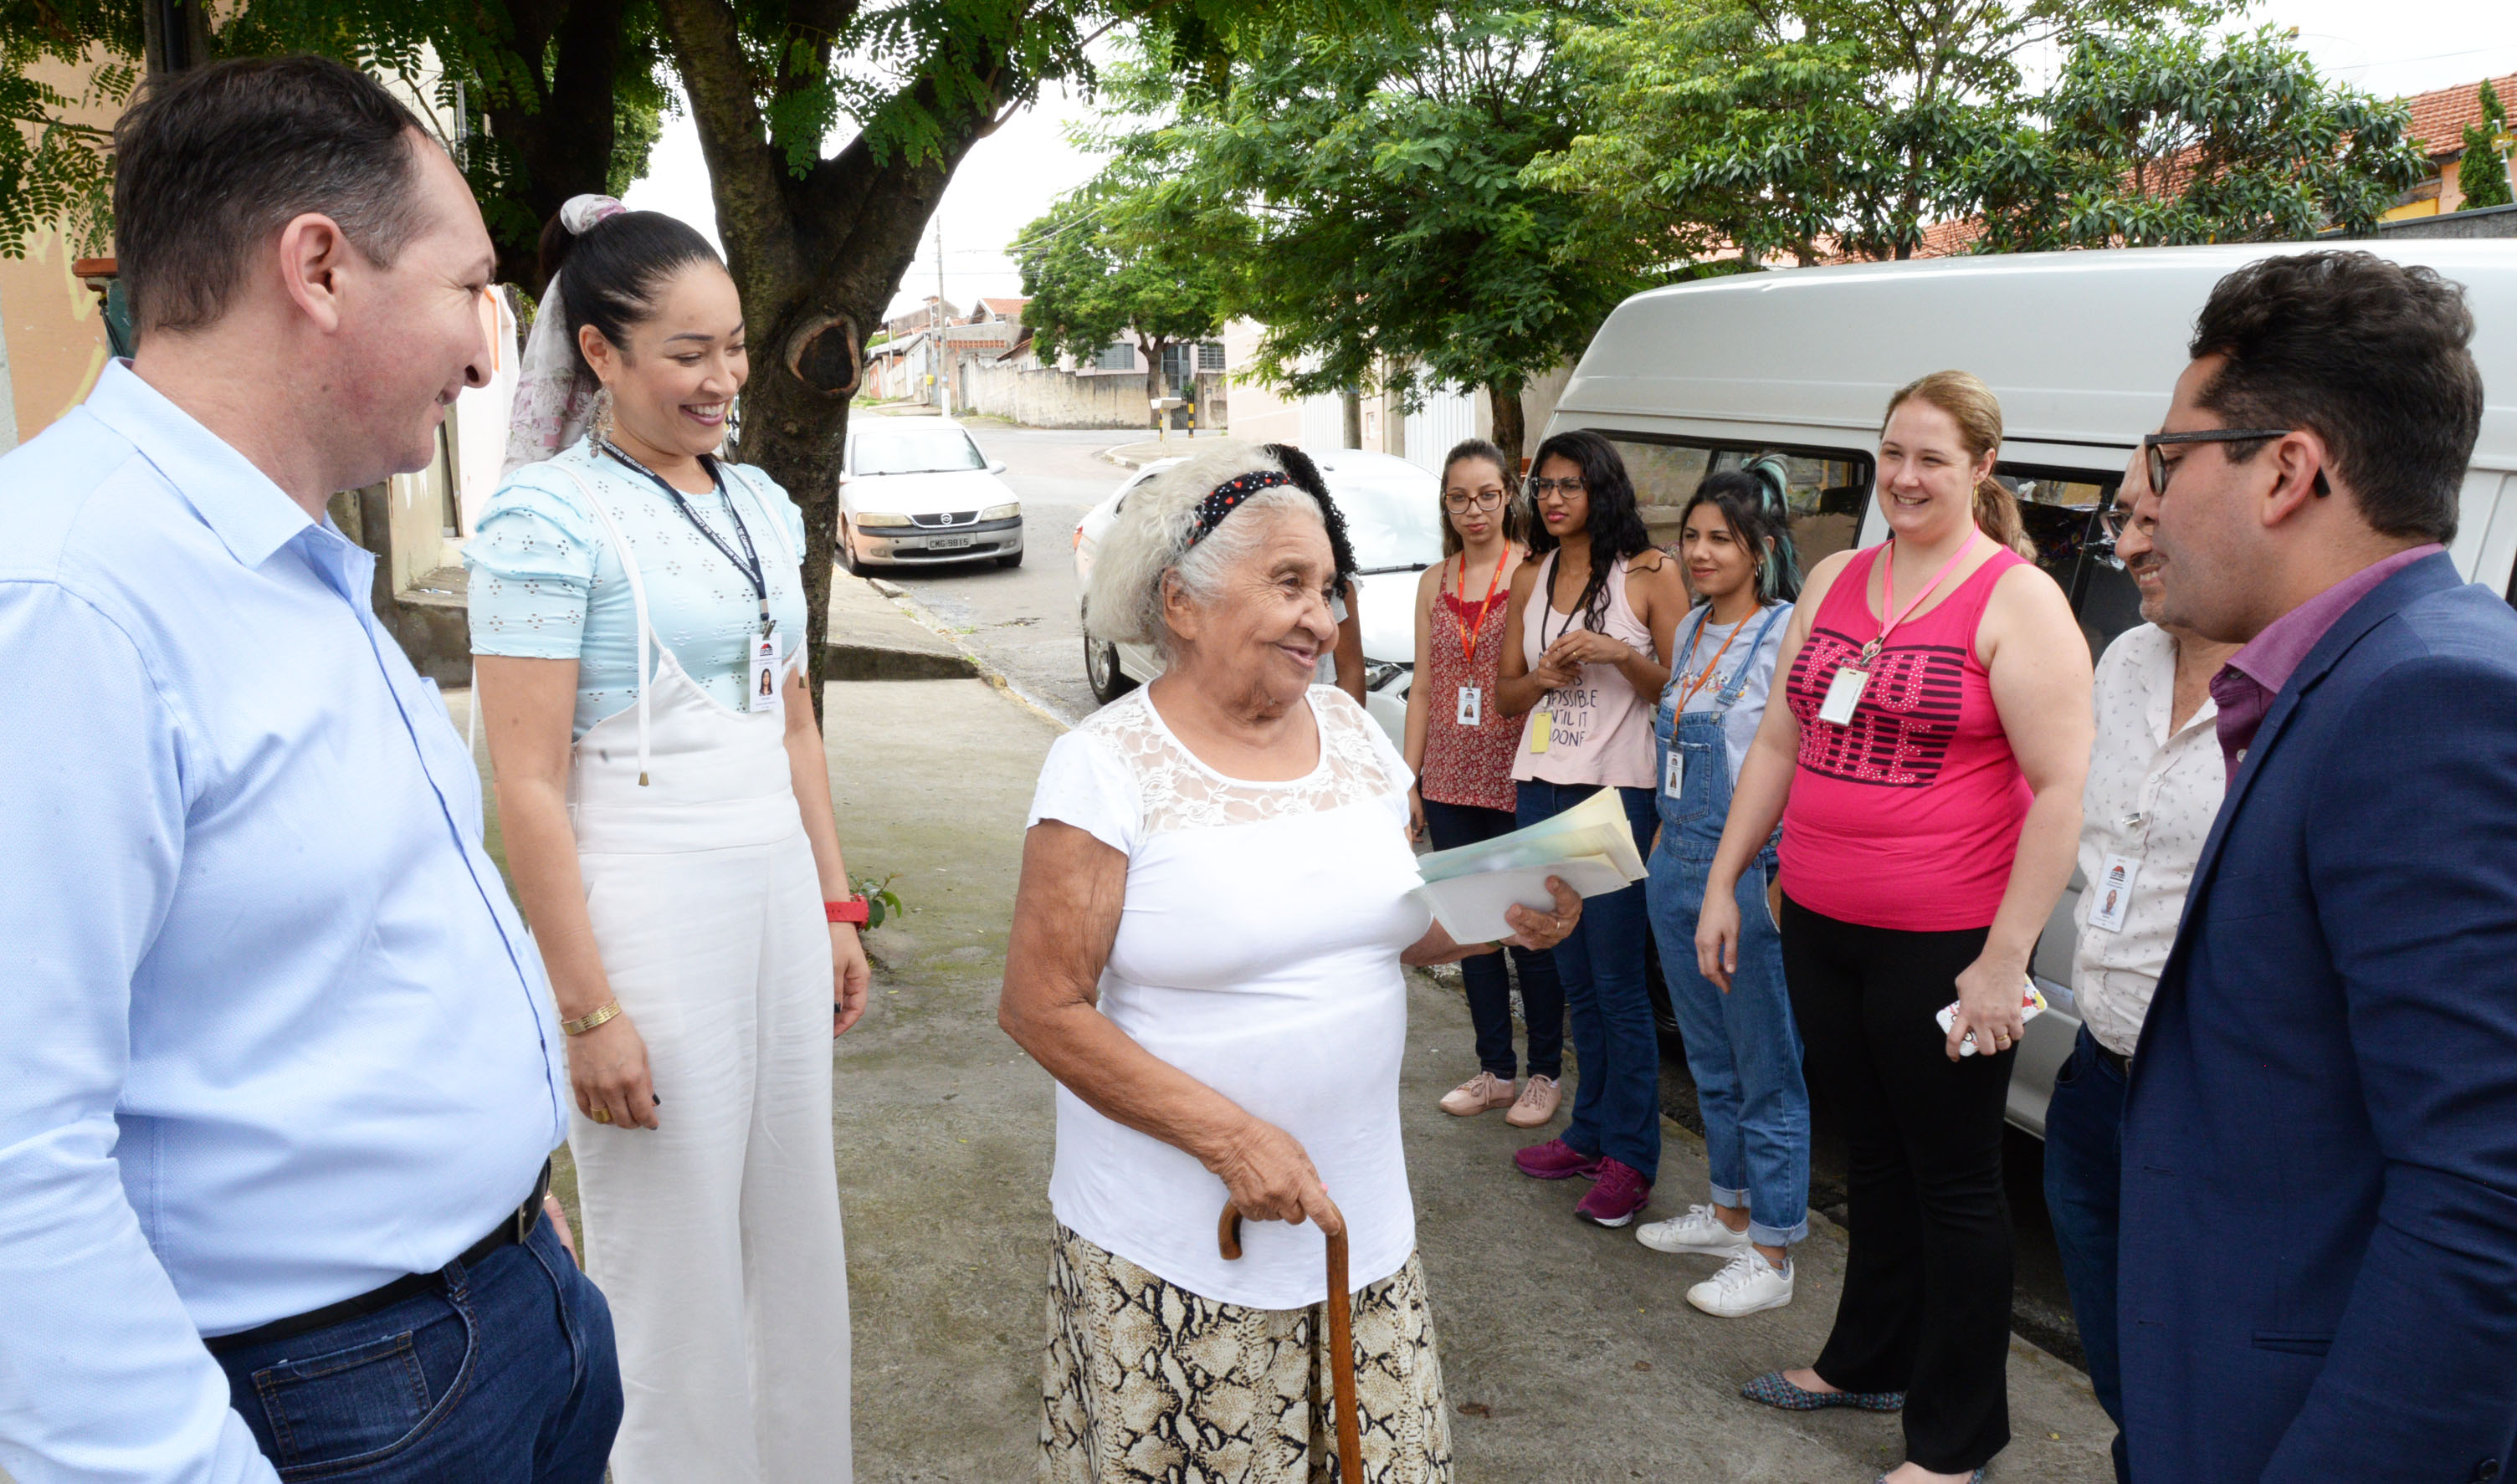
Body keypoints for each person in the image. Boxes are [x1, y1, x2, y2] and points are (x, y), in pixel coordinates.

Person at [0, 57, 618, 1482]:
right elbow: (19, 1150)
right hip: (328, 1392)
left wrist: (503, 1201)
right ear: (321, 267)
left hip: (491, 1310)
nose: (486, 353)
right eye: (468, 287)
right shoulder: (70, 596)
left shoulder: (285, 562)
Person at [998, 442, 1581, 1483]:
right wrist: (1227, 1138)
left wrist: (1505, 910)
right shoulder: (1105, 765)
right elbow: (1042, 1007)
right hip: (1175, 1248)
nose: (1323, 616)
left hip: (1358, 1225)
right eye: (1287, 585)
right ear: (1180, 601)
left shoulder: (1355, 734)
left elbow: (1386, 926)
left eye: (1327, 588)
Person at [467, 199, 869, 1482]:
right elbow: (523, 782)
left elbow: (792, 721)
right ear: (598, 355)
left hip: (773, 906)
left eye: (735, 346)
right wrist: (589, 1011)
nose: (724, 379)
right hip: (644, 909)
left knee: (796, 1232)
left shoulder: (761, 503)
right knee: (669, 1253)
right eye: (688, 353)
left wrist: (834, 905)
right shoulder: (547, 519)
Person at [2114, 251, 2517, 1481]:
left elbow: (2485, 1193)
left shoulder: (2430, 695)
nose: (2151, 498)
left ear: (2288, 469)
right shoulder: (2371, 672)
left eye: (2171, 458)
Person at [1697, 371, 2094, 1484]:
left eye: (1931, 457)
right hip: (1820, 916)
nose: (1906, 476)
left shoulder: (2017, 599)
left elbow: (2062, 790)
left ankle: (1958, 1438)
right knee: (1871, 1153)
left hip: (1948, 941)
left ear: (1980, 469)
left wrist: (2002, 962)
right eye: (1891, 454)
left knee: (1958, 1181)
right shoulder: (1835, 578)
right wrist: (1728, 878)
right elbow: (1778, 743)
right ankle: (1865, 1357)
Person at [2040, 449, 2236, 1482]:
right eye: (2119, 517)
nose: (2123, 545)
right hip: (2092, 1079)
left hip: (2210, 1104)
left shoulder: (2304, 688)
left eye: (2148, 520)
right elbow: (2071, 824)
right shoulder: (2121, 663)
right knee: (2121, 1380)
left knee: (2206, 1387)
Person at [1498, 430, 1690, 1228]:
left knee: (1616, 985)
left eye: (1570, 485)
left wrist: (1617, 652)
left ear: (1603, 490)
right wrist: (1540, 677)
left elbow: (1682, 692)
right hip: (1541, 790)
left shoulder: (1650, 574)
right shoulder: (1532, 576)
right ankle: (1588, 1132)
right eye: (1543, 484)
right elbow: (1508, 699)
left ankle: (1631, 1159)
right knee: (1570, 977)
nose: (1552, 498)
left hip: (1617, 796)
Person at [1633, 469, 1810, 1320]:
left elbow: (1798, 758)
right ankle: (1730, 1209)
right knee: (1706, 1054)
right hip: (1676, 857)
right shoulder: (1694, 626)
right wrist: (1667, 844)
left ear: (1761, 549)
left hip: (1744, 871)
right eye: (1690, 536)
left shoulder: (1784, 632)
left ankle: (1772, 1248)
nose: (1697, 553)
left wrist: (1765, 879)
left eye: (1718, 539)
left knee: (1764, 1066)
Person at [1404, 438, 1564, 1127]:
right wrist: (1410, 779)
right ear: (1446, 503)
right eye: (1460, 498)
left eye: (1488, 496)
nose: (1475, 510)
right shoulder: (1434, 581)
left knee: (1528, 927)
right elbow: (1423, 688)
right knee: (1470, 930)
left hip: (1516, 770)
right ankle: (1495, 1069)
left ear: (1509, 496)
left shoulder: (1534, 572)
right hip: (1448, 773)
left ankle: (1545, 1074)